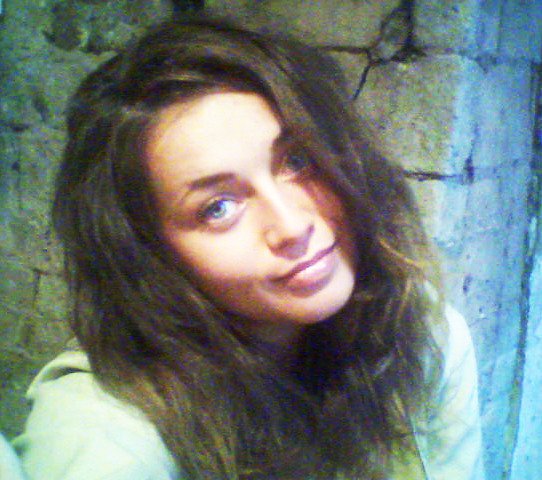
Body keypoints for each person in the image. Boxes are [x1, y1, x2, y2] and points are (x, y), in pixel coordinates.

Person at [13, 17, 484, 480]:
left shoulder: (422, 336)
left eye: (297, 160)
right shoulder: (107, 428)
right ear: (148, 252)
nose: (293, 226)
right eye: (217, 207)